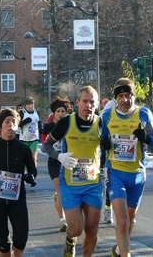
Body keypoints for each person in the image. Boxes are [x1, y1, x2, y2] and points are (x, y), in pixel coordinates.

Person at [101, 78, 153, 257]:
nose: (125, 100)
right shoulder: (107, 115)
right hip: (115, 172)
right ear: (116, 98)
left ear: (134, 96)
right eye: (121, 96)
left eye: (128, 96)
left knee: (130, 219)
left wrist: (147, 138)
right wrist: (104, 143)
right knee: (122, 221)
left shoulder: (143, 114)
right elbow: (101, 138)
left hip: (137, 175)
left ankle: (119, 250)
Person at [43, 86, 102, 257]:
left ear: (96, 105)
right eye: (84, 101)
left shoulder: (100, 123)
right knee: (76, 228)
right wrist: (59, 156)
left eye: (92, 102)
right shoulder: (66, 122)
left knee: (92, 230)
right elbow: (46, 145)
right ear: (77, 103)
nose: (88, 105)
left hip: (93, 183)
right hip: (70, 183)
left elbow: (110, 145)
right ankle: (70, 239)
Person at [0, 108, 37, 257]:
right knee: (3, 245)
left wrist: (31, 177)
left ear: (17, 126)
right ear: (0, 125)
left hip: (18, 201)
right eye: (7, 122)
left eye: (14, 122)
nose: (11, 125)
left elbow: (32, 170)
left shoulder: (23, 149)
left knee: (20, 241)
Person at [42, 96, 69, 232]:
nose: (60, 114)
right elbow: (44, 146)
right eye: (58, 111)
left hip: (68, 161)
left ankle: (59, 200)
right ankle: (62, 220)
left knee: (65, 191)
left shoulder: (70, 126)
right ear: (54, 113)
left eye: (63, 111)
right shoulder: (48, 127)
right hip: (54, 161)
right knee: (60, 190)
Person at [18, 97, 42, 167]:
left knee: (33, 157)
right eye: (28, 104)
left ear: (33, 105)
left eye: (31, 104)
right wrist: (25, 121)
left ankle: (33, 173)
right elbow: (18, 124)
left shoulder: (36, 112)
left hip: (34, 139)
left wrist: (41, 131)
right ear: (25, 106)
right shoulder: (22, 113)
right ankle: (25, 173)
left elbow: (39, 123)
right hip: (24, 139)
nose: (29, 106)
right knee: (24, 158)